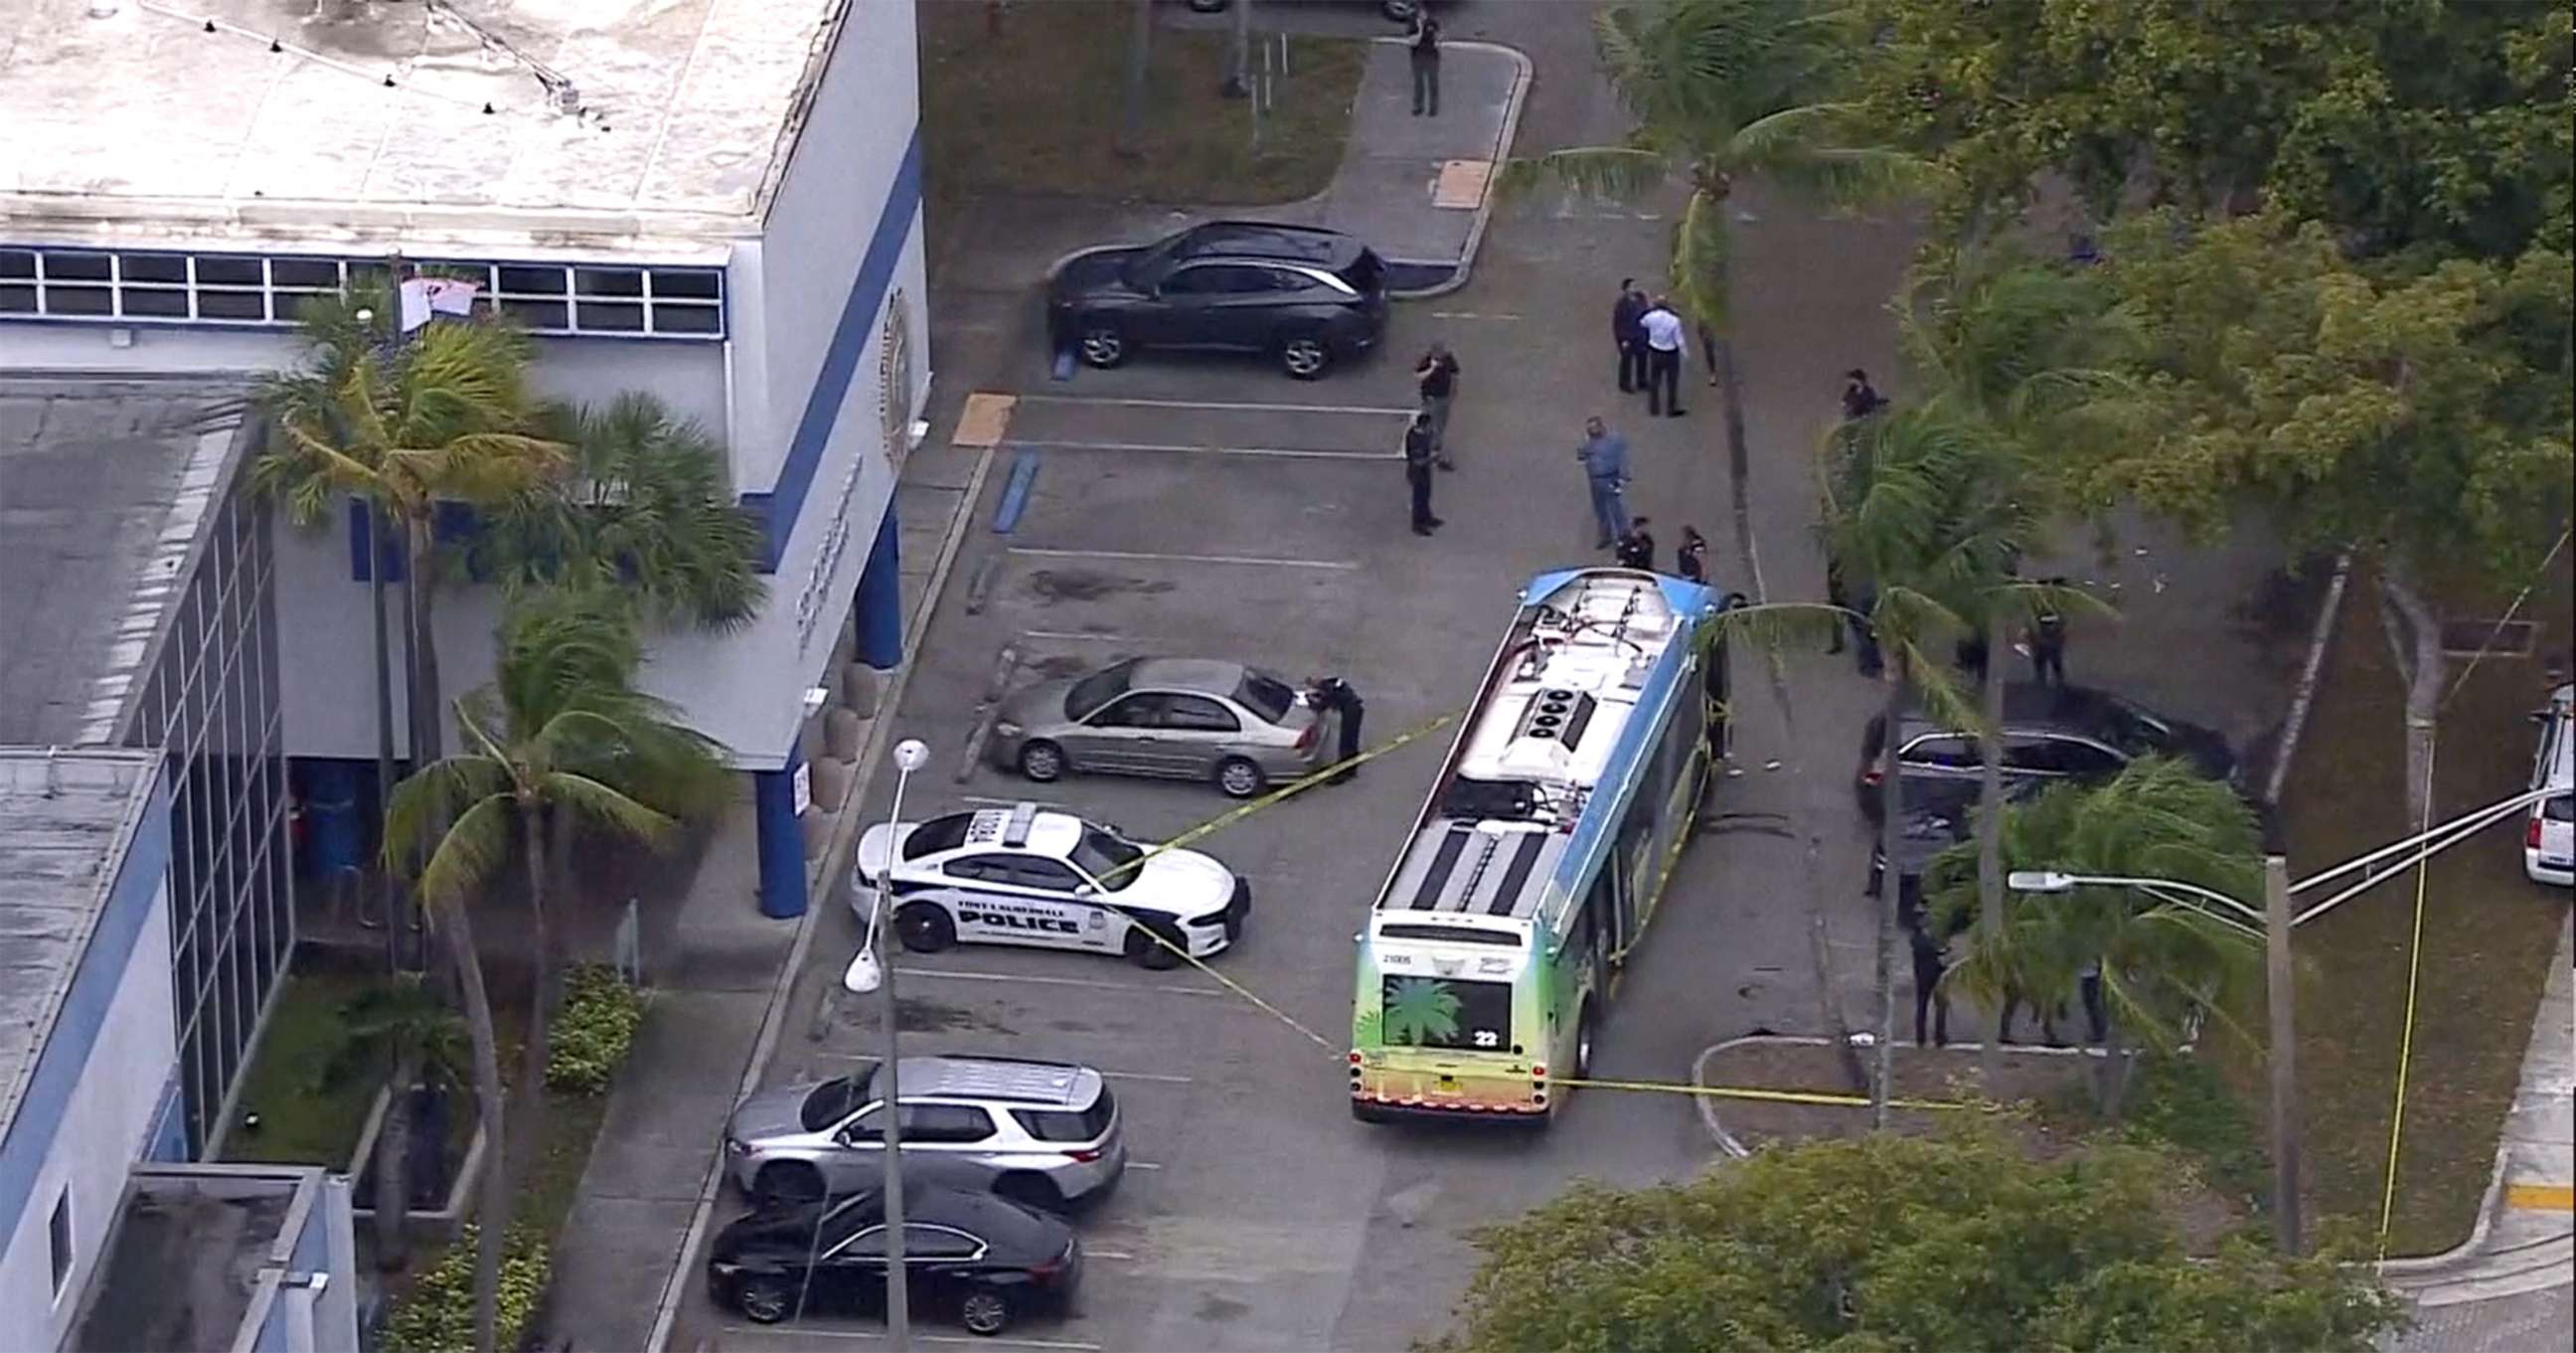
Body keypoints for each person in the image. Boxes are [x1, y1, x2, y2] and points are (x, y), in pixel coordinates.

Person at [1574, 416, 1631, 550]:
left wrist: (1622, 478)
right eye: (1589, 429)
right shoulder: (1589, 443)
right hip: (1595, 480)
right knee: (1600, 510)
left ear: (1601, 427)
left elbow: (1623, 459)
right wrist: (1583, 448)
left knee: (1616, 509)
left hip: (1610, 478)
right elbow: (1581, 457)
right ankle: (1606, 535)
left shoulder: (1614, 440)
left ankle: (1624, 537)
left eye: (1594, 428)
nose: (1592, 431)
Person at [1309, 676, 1365, 783]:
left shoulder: (1329, 690)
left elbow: (1322, 706)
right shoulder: (1333, 682)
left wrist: (1313, 702)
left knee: (1346, 742)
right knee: (1351, 739)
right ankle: (1352, 760)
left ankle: (1346, 772)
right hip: (1355, 708)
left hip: (1351, 712)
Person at [1415, 342, 1461, 469]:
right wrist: (1432, 368)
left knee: (1440, 425)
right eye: (1438, 355)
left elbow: (1455, 374)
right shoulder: (1426, 361)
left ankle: (1436, 449)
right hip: (1431, 398)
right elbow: (1419, 376)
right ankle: (1425, 449)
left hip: (1444, 398)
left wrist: (1453, 392)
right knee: (1429, 424)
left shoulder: (1448, 359)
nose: (1440, 358)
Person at [1639, 296, 1687, 417]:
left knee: (1654, 380)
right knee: (1672, 382)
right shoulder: (1674, 320)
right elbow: (1679, 339)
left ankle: (1654, 408)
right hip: (1670, 352)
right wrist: (1685, 352)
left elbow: (1642, 323)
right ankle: (1671, 409)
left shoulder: (1650, 317)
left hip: (1655, 350)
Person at [1402, 413, 1442, 536]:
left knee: (1426, 495)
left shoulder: (1423, 434)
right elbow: (1418, 461)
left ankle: (1426, 518)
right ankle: (1417, 524)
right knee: (1419, 498)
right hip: (1417, 472)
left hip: (1424, 470)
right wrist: (1432, 458)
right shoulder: (1416, 440)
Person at [2026, 583, 2069, 686]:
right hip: (2047, 640)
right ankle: (2052, 680)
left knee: (2050, 662)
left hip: (2048, 640)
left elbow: (2061, 621)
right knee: (2049, 662)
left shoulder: (2046, 606)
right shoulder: (2045, 606)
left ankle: (2052, 680)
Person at [1611, 279, 1648, 392]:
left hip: (1640, 335)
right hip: (1628, 337)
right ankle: (1624, 384)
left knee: (1642, 358)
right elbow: (1618, 323)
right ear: (1626, 289)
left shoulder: (1641, 299)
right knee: (1626, 360)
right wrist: (1622, 339)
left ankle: (1641, 381)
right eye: (1631, 287)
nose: (1634, 289)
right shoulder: (1621, 304)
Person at [1407, 9, 1441, 116]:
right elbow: (1413, 42)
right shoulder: (1413, 25)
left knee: (1433, 83)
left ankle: (1433, 108)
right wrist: (1420, 30)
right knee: (1419, 83)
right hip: (1418, 56)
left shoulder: (1432, 23)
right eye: (1420, 14)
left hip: (1432, 56)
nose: (1423, 16)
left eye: (1424, 14)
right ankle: (1418, 107)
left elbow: (1438, 36)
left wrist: (1437, 40)